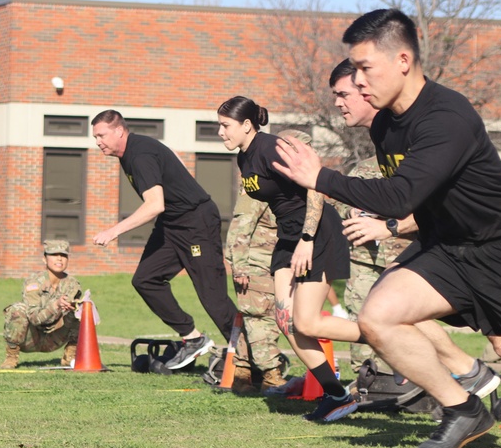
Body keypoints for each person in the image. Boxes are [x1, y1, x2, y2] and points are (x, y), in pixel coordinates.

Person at [274, 8, 501, 448]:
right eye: (355, 68)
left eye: (366, 68)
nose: (358, 80)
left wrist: (319, 178)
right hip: (450, 249)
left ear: (403, 60)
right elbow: (417, 201)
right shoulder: (386, 125)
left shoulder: (447, 116)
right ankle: (463, 410)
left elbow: (398, 193)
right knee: (377, 317)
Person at [328, 58, 501, 408]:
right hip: (439, 250)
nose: (338, 102)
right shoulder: (384, 137)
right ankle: (462, 392)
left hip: (482, 248)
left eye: (345, 93)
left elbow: (440, 199)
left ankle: (469, 379)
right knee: (387, 309)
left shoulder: (418, 130)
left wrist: (388, 225)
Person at [217, 97, 356, 422]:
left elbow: (315, 187)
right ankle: (336, 394)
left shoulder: (272, 149)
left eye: (225, 125)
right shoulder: (244, 157)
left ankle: (384, 334)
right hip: (288, 237)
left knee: (307, 321)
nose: (220, 132)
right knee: (287, 321)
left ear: (247, 125)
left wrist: (307, 239)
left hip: (315, 234)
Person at [91, 110, 238, 370]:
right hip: (172, 224)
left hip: (196, 222)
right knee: (146, 279)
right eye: (95, 137)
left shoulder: (140, 154)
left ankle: (250, 353)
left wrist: (113, 231)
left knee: (212, 295)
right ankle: (193, 339)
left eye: (102, 135)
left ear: (119, 131)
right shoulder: (129, 154)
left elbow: (154, 205)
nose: (98, 141)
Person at [219, 185, 286, 394]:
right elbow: (240, 228)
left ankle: (242, 375)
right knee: (261, 318)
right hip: (254, 263)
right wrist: (240, 268)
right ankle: (271, 375)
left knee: (255, 319)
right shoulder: (257, 187)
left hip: (273, 262)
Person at [0, 239, 83, 369]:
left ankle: (70, 356)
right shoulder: (34, 282)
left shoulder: (72, 285)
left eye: (63, 256)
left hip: (54, 338)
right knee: (17, 309)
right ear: (44, 259)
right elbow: (34, 318)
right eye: (54, 255)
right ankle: (11, 357)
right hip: (30, 338)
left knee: (83, 311)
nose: (60, 259)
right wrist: (56, 305)